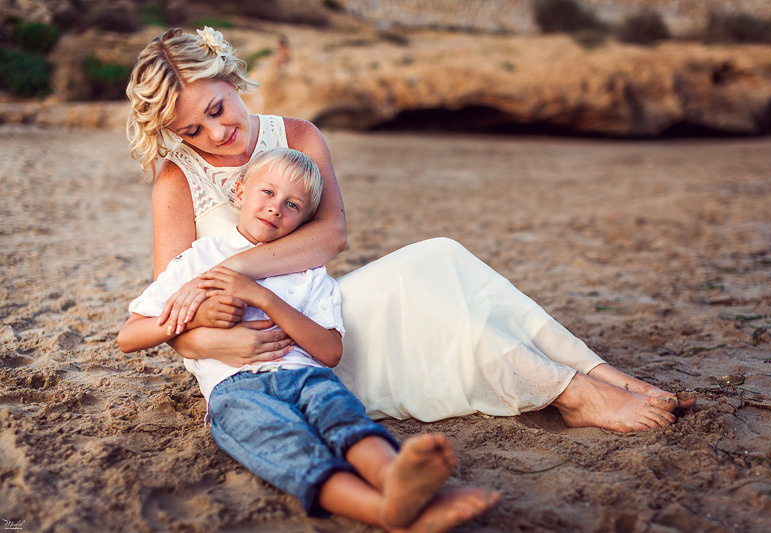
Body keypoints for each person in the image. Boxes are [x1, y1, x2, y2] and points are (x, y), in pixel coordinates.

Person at [126, 27, 694, 433]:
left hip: (318, 313)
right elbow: (171, 309)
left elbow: (330, 239)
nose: (216, 134)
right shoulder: (177, 182)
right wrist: (217, 338)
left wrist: (231, 272)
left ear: (232, 78)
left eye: (219, 109)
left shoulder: (296, 136)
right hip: (263, 352)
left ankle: (599, 373)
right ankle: (572, 394)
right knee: (435, 297)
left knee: (440, 257)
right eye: (193, 129)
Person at [118, 148, 500, 531]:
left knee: (342, 416)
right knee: (284, 443)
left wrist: (262, 297)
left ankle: (393, 476)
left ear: (305, 220)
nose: (275, 208)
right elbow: (130, 336)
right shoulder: (198, 260)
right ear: (239, 192)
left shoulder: (307, 271)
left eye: (292, 204)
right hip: (235, 388)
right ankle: (382, 510)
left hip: (306, 376)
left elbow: (331, 352)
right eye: (266, 192)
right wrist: (198, 316)